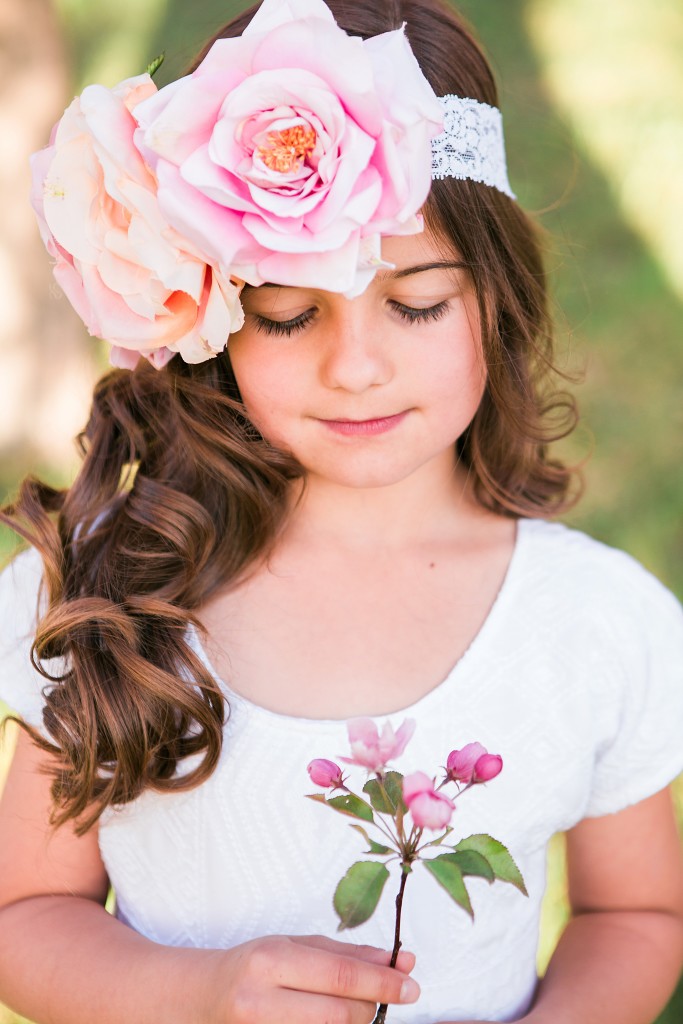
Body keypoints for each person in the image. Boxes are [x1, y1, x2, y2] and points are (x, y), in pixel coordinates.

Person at [0, 0, 682, 1022]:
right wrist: (200, 993)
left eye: (415, 303)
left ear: (493, 302)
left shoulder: (590, 621)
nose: (355, 367)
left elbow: (636, 915)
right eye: (288, 313)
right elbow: (27, 910)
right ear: (214, 320)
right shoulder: (116, 589)